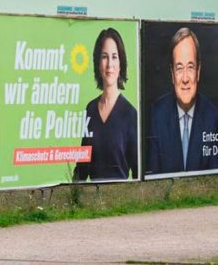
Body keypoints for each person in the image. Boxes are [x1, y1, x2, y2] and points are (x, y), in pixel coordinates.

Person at [147, 27, 218, 174]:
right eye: (179, 68)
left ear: (198, 72)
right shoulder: (156, 115)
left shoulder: (214, 116)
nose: (185, 79)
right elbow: (153, 178)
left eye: (190, 67)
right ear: (172, 74)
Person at [73, 28, 138, 181]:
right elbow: (82, 166)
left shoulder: (130, 114)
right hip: (92, 198)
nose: (109, 64)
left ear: (121, 63)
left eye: (114, 57)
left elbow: (137, 172)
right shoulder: (90, 110)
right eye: (104, 57)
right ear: (98, 63)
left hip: (121, 199)